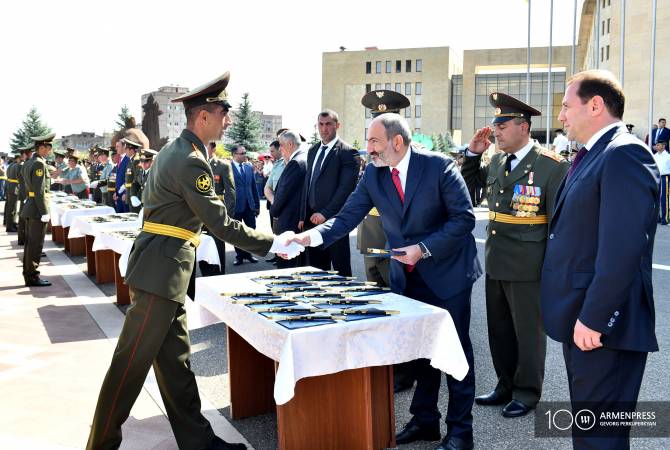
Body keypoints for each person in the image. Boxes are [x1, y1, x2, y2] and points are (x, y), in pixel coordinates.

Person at [86, 71, 297, 450]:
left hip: (164, 269)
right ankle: (99, 444)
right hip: (160, 273)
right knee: (130, 366)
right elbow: (220, 223)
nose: (228, 121)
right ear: (204, 117)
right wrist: (273, 243)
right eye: (223, 114)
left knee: (176, 365)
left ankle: (199, 443)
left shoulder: (176, 150)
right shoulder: (190, 160)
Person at [290, 113, 482, 450]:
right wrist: (310, 238)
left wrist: (423, 249)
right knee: (421, 351)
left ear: (397, 141)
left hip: (447, 273)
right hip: (406, 277)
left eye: (374, 141)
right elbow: (347, 216)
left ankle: (460, 431)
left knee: (454, 352)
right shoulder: (374, 174)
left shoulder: (438, 166)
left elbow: (464, 219)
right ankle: (425, 420)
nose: (368, 149)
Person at [541, 70, 659, 450]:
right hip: (584, 320)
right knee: (591, 432)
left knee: (601, 439)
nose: (560, 116)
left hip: (604, 326)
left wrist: (594, 317)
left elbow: (623, 249)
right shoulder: (594, 155)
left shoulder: (624, 153)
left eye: (565, 106)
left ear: (595, 105)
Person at [461, 93, 569, 418]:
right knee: (500, 330)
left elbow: (559, 225)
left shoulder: (552, 166)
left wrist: (553, 271)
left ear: (524, 127)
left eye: (503, 125)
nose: (496, 131)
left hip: (529, 265)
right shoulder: (494, 159)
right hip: (497, 260)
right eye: (495, 125)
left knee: (528, 334)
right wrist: (471, 155)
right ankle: (505, 384)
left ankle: (527, 392)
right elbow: (470, 190)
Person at [359, 89, 416, 394]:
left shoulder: (409, 157)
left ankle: (405, 370)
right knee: (376, 308)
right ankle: (385, 363)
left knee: (400, 309)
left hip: (397, 245)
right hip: (370, 239)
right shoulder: (371, 157)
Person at [299, 109, 359, 276]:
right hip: (311, 221)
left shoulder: (348, 152)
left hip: (335, 222)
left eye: (329, 124)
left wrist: (325, 214)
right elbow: (308, 184)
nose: (324, 129)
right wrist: (302, 215)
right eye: (321, 124)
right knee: (316, 271)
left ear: (337, 125)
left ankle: (345, 303)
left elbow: (346, 190)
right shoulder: (312, 150)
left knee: (341, 272)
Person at [270, 129, 307, 269]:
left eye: (281, 145)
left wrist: (273, 211)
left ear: (290, 144)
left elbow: (282, 194)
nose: (280, 149)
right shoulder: (305, 158)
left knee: (286, 268)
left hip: (289, 223)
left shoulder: (295, 163)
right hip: (298, 221)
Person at [21, 133, 54, 287]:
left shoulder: (28, 162)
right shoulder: (39, 164)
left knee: (29, 244)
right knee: (35, 245)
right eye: (48, 148)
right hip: (36, 209)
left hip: (30, 206)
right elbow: (39, 191)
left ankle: (28, 274)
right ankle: (32, 276)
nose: (49, 151)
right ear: (41, 148)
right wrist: (44, 212)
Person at [199, 141, 236, 276]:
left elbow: (231, 194)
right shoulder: (197, 164)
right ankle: (205, 277)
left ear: (213, 148)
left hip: (217, 215)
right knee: (202, 248)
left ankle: (219, 276)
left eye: (205, 146)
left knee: (217, 247)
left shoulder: (223, 166)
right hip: (199, 215)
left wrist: (227, 218)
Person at [230, 144, 260, 265]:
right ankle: (240, 256)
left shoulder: (248, 167)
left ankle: (248, 254)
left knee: (251, 231)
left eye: (245, 153)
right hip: (235, 207)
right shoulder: (227, 167)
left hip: (249, 206)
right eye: (242, 153)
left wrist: (257, 205)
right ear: (234, 154)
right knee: (236, 233)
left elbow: (254, 187)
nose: (244, 155)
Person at [123, 129, 150, 213]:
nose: (125, 151)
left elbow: (138, 180)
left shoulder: (136, 161)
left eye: (126, 149)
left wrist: (135, 196)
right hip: (130, 193)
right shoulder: (131, 161)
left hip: (135, 195)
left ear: (131, 149)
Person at [16, 145, 34, 245]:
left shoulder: (23, 164)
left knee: (23, 218)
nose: (32, 155)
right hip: (25, 195)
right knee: (25, 219)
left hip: (24, 194)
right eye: (31, 153)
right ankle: (23, 239)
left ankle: (22, 239)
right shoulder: (24, 165)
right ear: (25, 154)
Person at [653, 140, 670, 224]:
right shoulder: (655, 156)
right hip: (656, 177)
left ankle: (665, 218)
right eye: (656, 145)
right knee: (656, 198)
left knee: (664, 198)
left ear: (663, 146)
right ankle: (657, 218)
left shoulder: (668, 156)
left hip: (665, 177)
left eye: (658, 145)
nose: (656, 146)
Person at [5, 152, 21, 232]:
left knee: (9, 206)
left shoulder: (10, 165)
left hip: (9, 185)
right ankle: (10, 227)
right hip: (14, 187)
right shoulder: (17, 166)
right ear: (18, 158)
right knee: (13, 208)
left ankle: (9, 224)